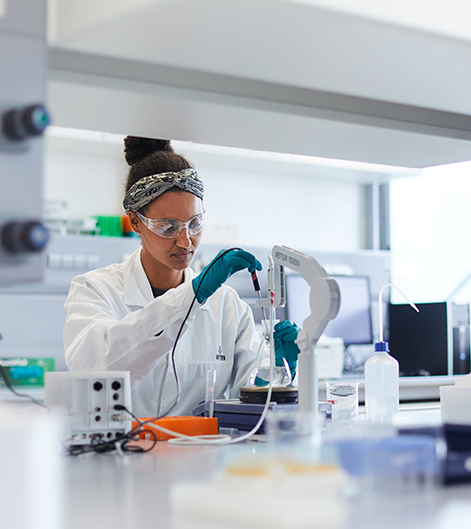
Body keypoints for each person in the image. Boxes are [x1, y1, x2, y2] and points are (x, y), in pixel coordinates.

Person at [63, 136, 299, 417]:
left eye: (195, 224)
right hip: (122, 455)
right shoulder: (95, 290)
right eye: (168, 227)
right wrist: (192, 296)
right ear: (136, 221)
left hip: (202, 456)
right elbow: (95, 369)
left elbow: (249, 401)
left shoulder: (227, 305)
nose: (185, 241)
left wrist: (276, 371)